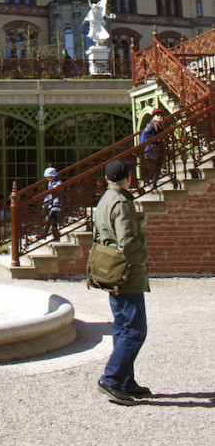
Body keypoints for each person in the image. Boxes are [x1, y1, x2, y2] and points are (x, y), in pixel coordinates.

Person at [94, 157, 151, 405]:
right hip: (126, 273)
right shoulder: (121, 202)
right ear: (127, 177)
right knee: (136, 330)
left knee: (122, 327)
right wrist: (143, 257)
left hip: (110, 270)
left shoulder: (105, 199)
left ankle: (126, 381)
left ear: (107, 178)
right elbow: (127, 242)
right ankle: (112, 379)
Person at [141, 108, 165, 189]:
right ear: (154, 117)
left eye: (161, 115)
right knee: (154, 166)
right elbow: (146, 135)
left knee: (157, 166)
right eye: (157, 115)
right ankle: (149, 180)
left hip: (158, 149)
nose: (159, 117)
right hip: (152, 150)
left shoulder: (160, 126)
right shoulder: (152, 125)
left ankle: (153, 182)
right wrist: (155, 139)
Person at [42, 166, 62, 239]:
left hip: (56, 203)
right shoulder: (50, 183)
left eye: (48, 177)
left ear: (53, 176)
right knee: (50, 218)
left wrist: (56, 187)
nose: (47, 179)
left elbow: (60, 185)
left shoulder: (57, 182)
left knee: (52, 218)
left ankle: (47, 232)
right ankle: (53, 233)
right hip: (50, 203)